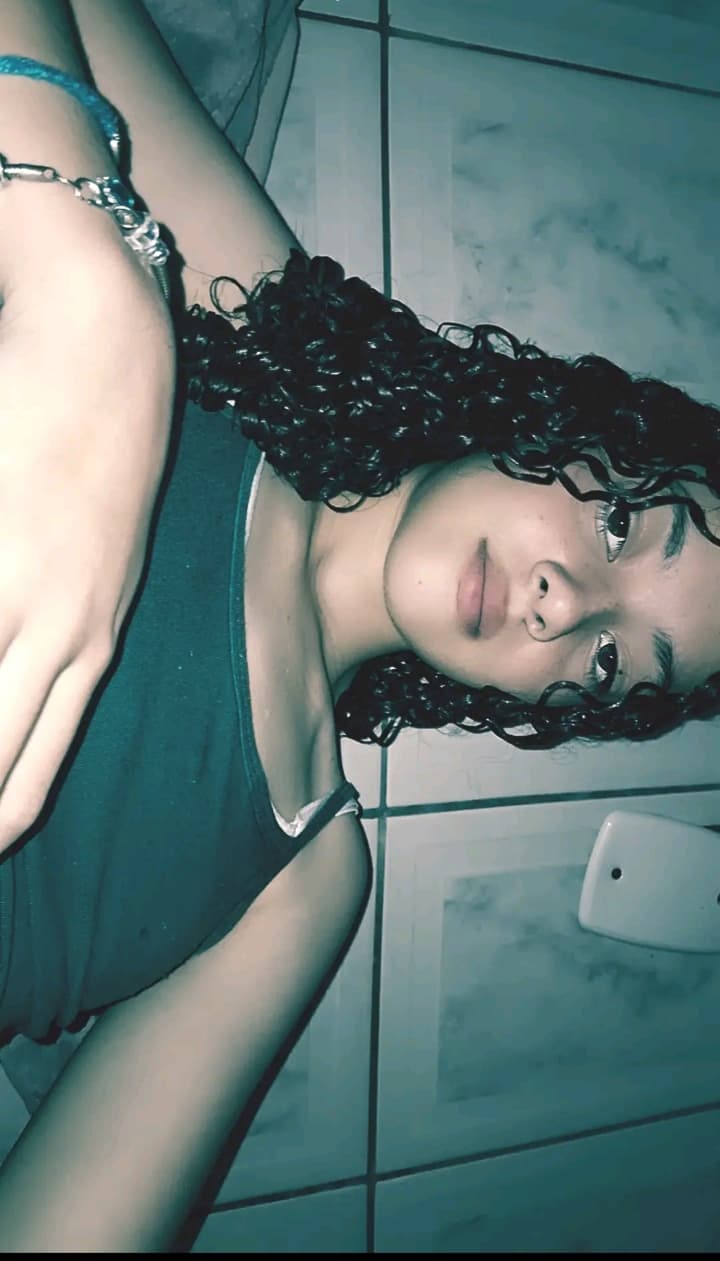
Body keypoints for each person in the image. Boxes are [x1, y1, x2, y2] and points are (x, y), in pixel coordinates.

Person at [0, 0, 719, 1250]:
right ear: (577, 429)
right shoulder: (260, 318)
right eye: (619, 526)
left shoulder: (304, 878)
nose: (563, 605)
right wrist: (92, 305)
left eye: (609, 662)